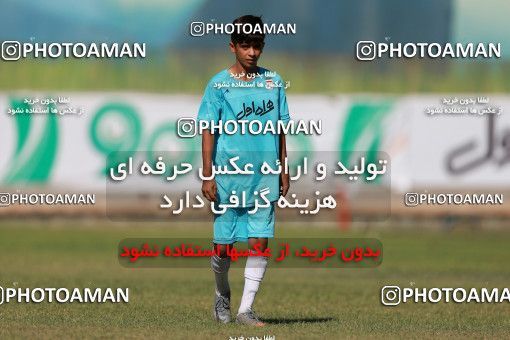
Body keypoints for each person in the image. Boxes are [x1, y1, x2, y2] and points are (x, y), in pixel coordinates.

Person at [197, 14, 290, 326]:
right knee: (223, 248)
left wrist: (283, 168)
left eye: (258, 46)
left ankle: (245, 310)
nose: (253, 52)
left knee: (260, 241)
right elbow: (208, 129)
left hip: (265, 175)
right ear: (232, 46)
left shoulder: (274, 82)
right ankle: (222, 295)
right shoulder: (218, 84)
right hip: (228, 176)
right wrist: (208, 174)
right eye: (246, 46)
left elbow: (281, 128)